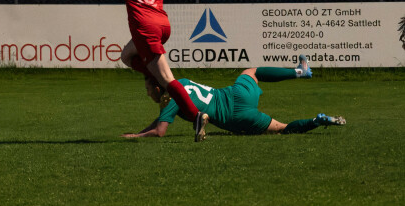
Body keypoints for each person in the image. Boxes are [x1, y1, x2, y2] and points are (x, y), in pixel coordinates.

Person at [60, 0, 209, 142]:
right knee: (126, 56)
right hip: (162, 24)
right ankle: (155, 79)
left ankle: (196, 116)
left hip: (144, 27)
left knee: (168, 79)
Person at [122, 55, 346, 139]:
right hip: (237, 94)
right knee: (252, 72)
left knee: (283, 129)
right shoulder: (179, 83)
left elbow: (160, 130)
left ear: (159, 89)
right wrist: (140, 130)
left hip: (237, 117)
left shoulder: (170, 99)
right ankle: (301, 72)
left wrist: (135, 137)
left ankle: (316, 121)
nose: (147, 93)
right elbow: (159, 121)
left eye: (148, 89)